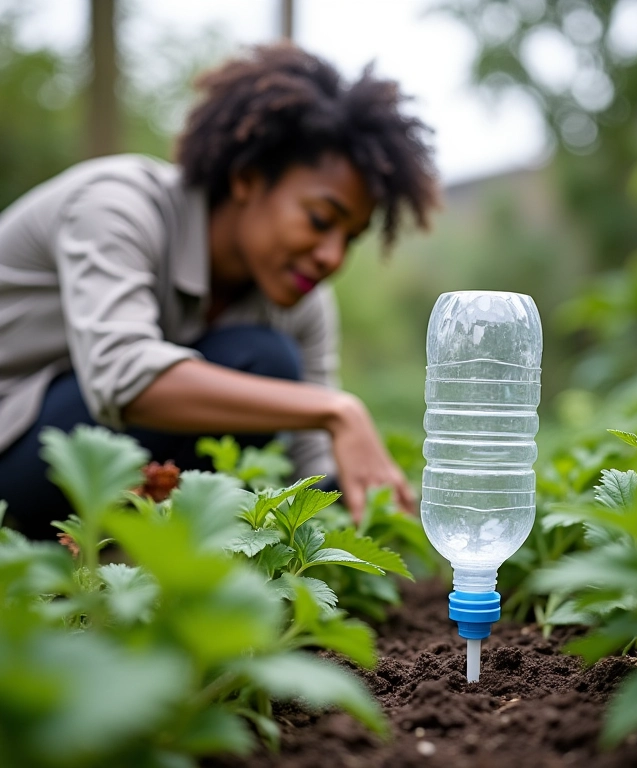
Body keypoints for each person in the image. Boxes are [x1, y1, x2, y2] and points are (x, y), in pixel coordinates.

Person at [0, 41, 440, 539]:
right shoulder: (116, 207)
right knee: (265, 361)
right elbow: (122, 375)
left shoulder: (302, 299)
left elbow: (310, 461)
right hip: (13, 444)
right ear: (247, 178)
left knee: (270, 364)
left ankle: (144, 558)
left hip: (89, 453)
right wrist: (338, 411)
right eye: (320, 220)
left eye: (351, 238)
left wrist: (381, 521)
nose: (332, 257)